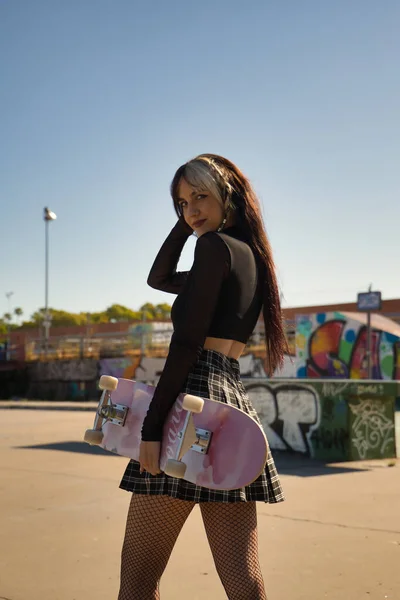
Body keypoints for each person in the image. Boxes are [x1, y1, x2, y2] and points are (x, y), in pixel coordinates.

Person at [118, 154, 287, 600]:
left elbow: (187, 344)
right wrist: (190, 222)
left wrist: (153, 428)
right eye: (181, 203)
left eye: (200, 196)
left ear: (227, 193)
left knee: (137, 580)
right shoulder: (250, 257)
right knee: (242, 577)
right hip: (232, 405)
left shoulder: (213, 249)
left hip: (193, 399)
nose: (191, 210)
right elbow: (159, 278)